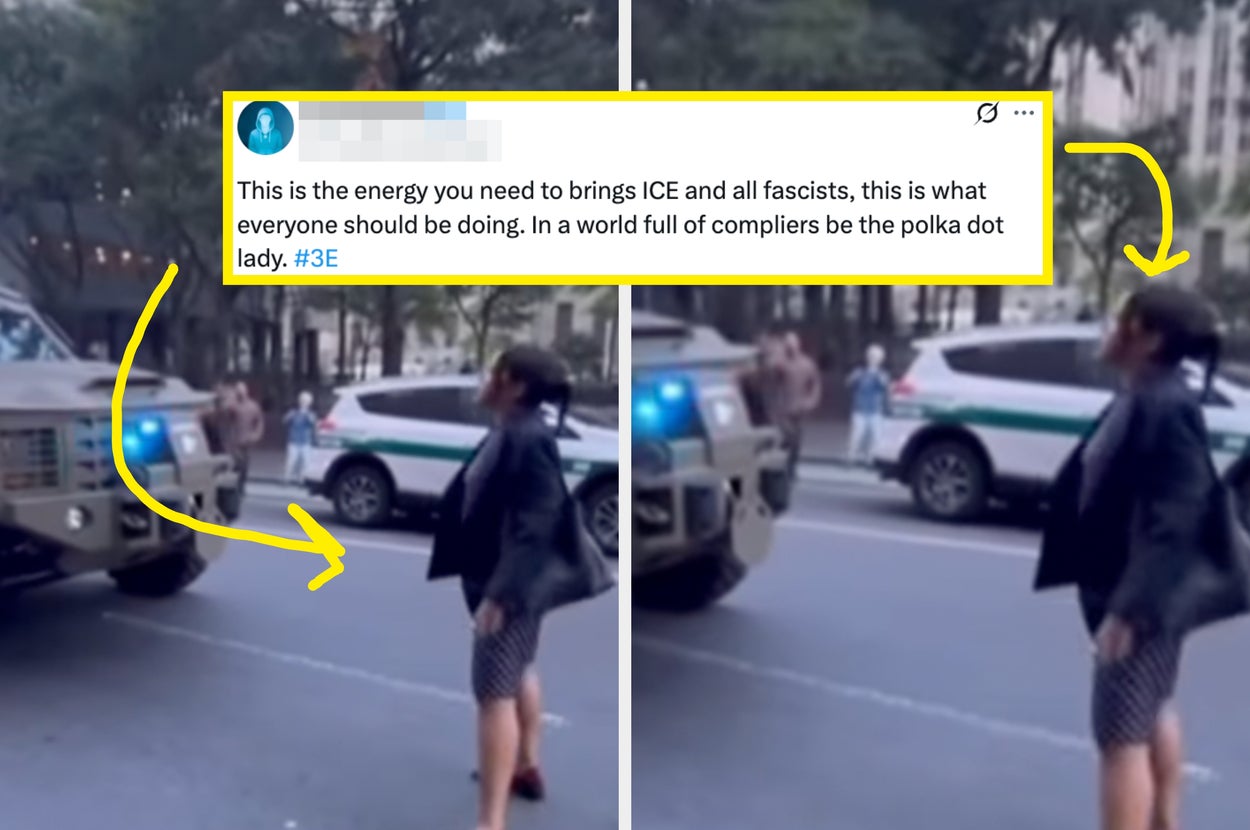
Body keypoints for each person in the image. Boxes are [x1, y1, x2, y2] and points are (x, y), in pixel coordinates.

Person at [1035, 284, 1250, 830]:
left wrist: (1129, 610)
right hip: (1137, 591)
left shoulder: (1164, 404)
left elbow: (1175, 518)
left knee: (1119, 740)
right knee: (1151, 710)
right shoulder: (1150, 392)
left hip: (1139, 597)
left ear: (1149, 339)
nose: (1110, 330)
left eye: (1122, 321)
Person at [427, 345, 613, 830]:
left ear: (513, 383)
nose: (485, 380)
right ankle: (526, 765)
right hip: (497, 578)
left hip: (506, 585)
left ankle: (491, 822)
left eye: (494, 372)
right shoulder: (515, 429)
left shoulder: (528, 438)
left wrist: (501, 595)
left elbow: (538, 524)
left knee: (493, 695)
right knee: (518, 668)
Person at [780, 331, 822, 477]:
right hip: (780, 409)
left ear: (798, 345)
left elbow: (815, 385)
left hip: (798, 409)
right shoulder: (780, 363)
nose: (790, 346)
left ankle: (791, 467)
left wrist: (810, 402)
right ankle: (781, 468)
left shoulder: (807, 364)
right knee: (781, 440)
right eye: (787, 343)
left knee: (795, 441)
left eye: (792, 343)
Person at [845, 344, 890, 465]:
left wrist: (878, 377)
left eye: (876, 357)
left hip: (875, 410)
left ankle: (869, 458)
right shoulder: (860, 372)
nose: (873, 359)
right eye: (871, 356)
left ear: (881, 359)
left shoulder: (882, 374)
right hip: (860, 409)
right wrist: (853, 378)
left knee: (874, 437)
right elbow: (848, 383)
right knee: (857, 435)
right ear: (867, 357)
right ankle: (851, 457)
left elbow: (884, 387)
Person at [233, 382, 265, 494]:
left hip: (246, 441)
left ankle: (241, 486)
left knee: (244, 466)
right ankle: (235, 487)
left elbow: (259, 422)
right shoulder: (233, 406)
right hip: (233, 442)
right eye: (238, 390)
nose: (240, 393)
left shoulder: (252, 406)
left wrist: (255, 435)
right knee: (233, 466)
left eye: (242, 390)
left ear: (246, 391)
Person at [283, 391, 317, 485]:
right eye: (302, 400)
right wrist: (291, 415)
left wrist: (306, 414)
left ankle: (301, 480)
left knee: (304, 463)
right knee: (291, 461)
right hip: (294, 441)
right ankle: (287, 479)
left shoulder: (310, 414)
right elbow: (285, 421)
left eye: (306, 401)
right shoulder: (294, 412)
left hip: (305, 441)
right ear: (299, 401)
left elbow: (312, 423)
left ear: (309, 403)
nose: (304, 403)